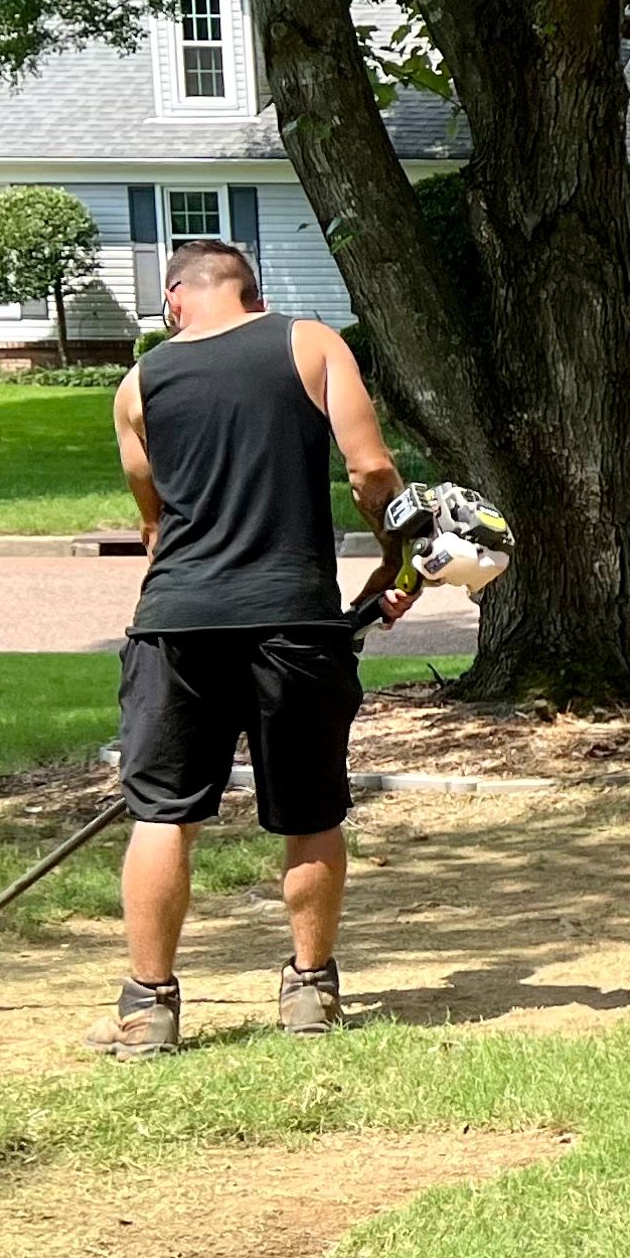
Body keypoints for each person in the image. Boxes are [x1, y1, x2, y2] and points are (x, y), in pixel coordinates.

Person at [103, 236, 410, 1055]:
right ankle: (309, 991)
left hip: (175, 623)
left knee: (162, 814)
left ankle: (149, 1009)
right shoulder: (308, 343)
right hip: (294, 621)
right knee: (310, 810)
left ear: (174, 300)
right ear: (254, 293)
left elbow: (153, 524)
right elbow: (372, 471)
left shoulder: (137, 386)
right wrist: (395, 556)